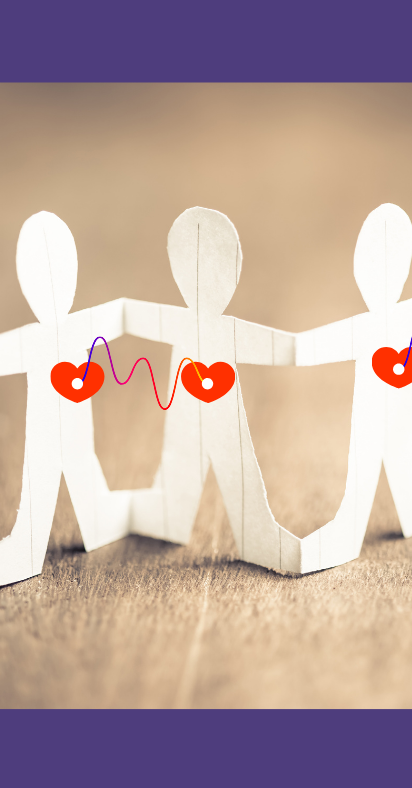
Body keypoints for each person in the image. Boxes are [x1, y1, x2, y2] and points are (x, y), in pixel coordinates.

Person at [0, 211, 132, 592]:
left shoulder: (82, 326)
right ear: (26, 285)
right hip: (46, 441)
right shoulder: (36, 338)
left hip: (76, 441)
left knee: (91, 504)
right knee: (42, 504)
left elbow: (120, 315)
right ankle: (19, 555)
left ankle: (92, 525)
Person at [124, 207, 302, 573]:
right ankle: (168, 518)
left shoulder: (223, 329)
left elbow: (276, 345)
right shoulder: (178, 321)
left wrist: (303, 348)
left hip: (223, 420)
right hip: (185, 418)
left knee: (239, 474)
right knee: (180, 472)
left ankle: (258, 538)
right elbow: (132, 315)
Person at [295, 203, 412, 573]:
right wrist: (288, 348)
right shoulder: (367, 325)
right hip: (371, 414)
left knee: (400, 457)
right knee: (368, 464)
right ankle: (353, 532)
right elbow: (313, 345)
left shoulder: (411, 314)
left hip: (398, 416)